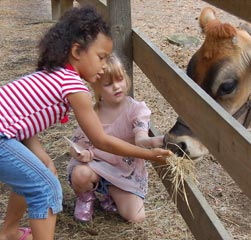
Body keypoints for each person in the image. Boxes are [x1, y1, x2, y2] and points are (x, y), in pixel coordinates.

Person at [0, 6, 171, 240]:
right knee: (46, 188)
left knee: (36, 174)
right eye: (101, 57)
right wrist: (149, 155)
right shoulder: (74, 86)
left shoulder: (54, 75)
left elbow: (20, 125)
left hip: (5, 134)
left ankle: (9, 232)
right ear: (77, 51)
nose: (103, 66)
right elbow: (100, 140)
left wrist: (45, 159)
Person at [67, 54, 165, 223]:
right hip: (96, 166)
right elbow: (76, 146)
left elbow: (140, 137)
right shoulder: (92, 113)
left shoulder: (136, 109)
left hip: (123, 170)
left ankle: (109, 192)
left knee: (136, 217)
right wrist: (82, 154)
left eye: (119, 80)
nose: (116, 87)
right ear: (96, 88)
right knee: (81, 174)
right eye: (108, 84)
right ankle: (85, 197)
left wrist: (150, 142)